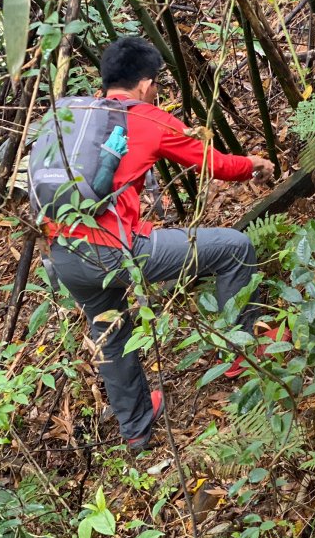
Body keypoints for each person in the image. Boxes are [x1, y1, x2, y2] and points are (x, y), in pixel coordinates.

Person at [46, 36, 275, 450]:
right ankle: (245, 353)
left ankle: (135, 430)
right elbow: (214, 164)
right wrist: (252, 166)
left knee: (110, 332)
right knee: (234, 247)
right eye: (156, 85)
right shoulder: (146, 117)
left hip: (64, 256)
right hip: (115, 250)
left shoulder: (75, 116)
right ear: (146, 84)